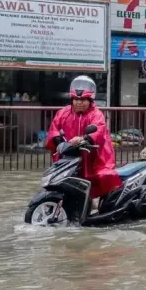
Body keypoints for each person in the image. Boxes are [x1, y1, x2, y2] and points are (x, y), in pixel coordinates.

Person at [46, 76, 122, 213]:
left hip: (93, 154)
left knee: (104, 176)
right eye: (76, 100)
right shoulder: (63, 113)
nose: (79, 103)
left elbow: (99, 130)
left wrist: (84, 138)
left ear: (90, 100)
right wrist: (60, 142)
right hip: (69, 155)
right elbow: (54, 130)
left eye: (83, 100)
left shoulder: (96, 114)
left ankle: (105, 207)